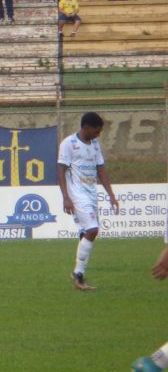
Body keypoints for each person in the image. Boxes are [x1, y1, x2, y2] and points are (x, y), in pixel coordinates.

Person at [57, 111, 119, 292]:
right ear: (87, 127)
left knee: (87, 231)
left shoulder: (95, 145)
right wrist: (66, 197)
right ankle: (78, 274)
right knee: (93, 230)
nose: (99, 134)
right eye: (97, 131)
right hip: (77, 194)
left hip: (91, 193)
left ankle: (79, 275)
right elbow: (60, 170)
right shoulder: (69, 144)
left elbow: (101, 170)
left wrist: (111, 195)